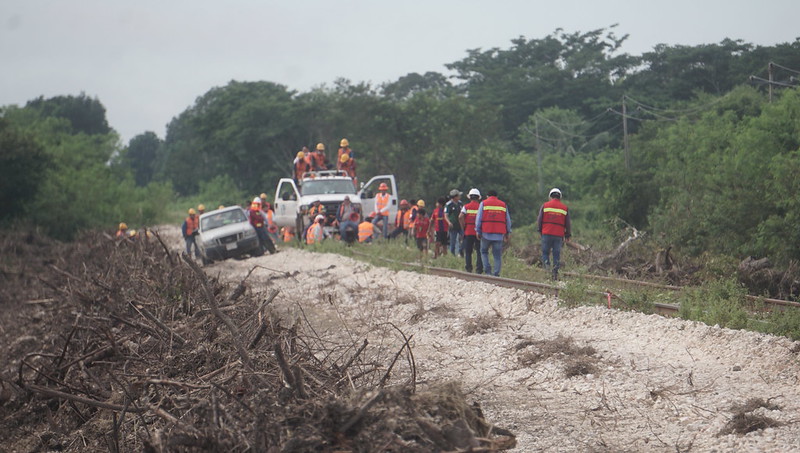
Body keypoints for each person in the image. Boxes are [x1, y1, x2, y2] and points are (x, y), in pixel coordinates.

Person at [537, 187, 572, 280]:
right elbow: (568, 223)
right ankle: (555, 274)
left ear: (550, 196)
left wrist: (540, 230)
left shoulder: (545, 206)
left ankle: (547, 270)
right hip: (558, 235)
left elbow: (539, 219)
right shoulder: (564, 208)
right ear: (560, 197)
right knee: (556, 254)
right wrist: (567, 234)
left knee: (545, 253)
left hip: (546, 233)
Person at [475, 190, 511, 277]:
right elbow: (508, 220)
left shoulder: (483, 203)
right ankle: (496, 274)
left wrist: (478, 230)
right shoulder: (503, 204)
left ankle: (488, 272)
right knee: (497, 255)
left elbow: (479, 218)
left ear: (487, 196)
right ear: (496, 196)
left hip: (486, 233)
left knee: (484, 252)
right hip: (499, 234)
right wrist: (508, 232)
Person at [459, 188, 484, 274]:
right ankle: (479, 269)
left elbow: (460, 217)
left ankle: (468, 268)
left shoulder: (466, 207)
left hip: (468, 231)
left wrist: (463, 226)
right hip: (478, 232)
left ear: (469, 197)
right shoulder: (481, 206)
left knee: (468, 251)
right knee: (479, 251)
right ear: (478, 197)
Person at [445, 189, 464, 256]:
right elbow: (446, 215)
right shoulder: (449, 204)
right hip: (453, 225)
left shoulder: (460, 203)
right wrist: (449, 222)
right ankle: (452, 255)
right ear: (455, 197)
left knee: (464, 238)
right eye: (458, 195)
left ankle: (461, 251)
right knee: (453, 241)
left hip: (460, 225)